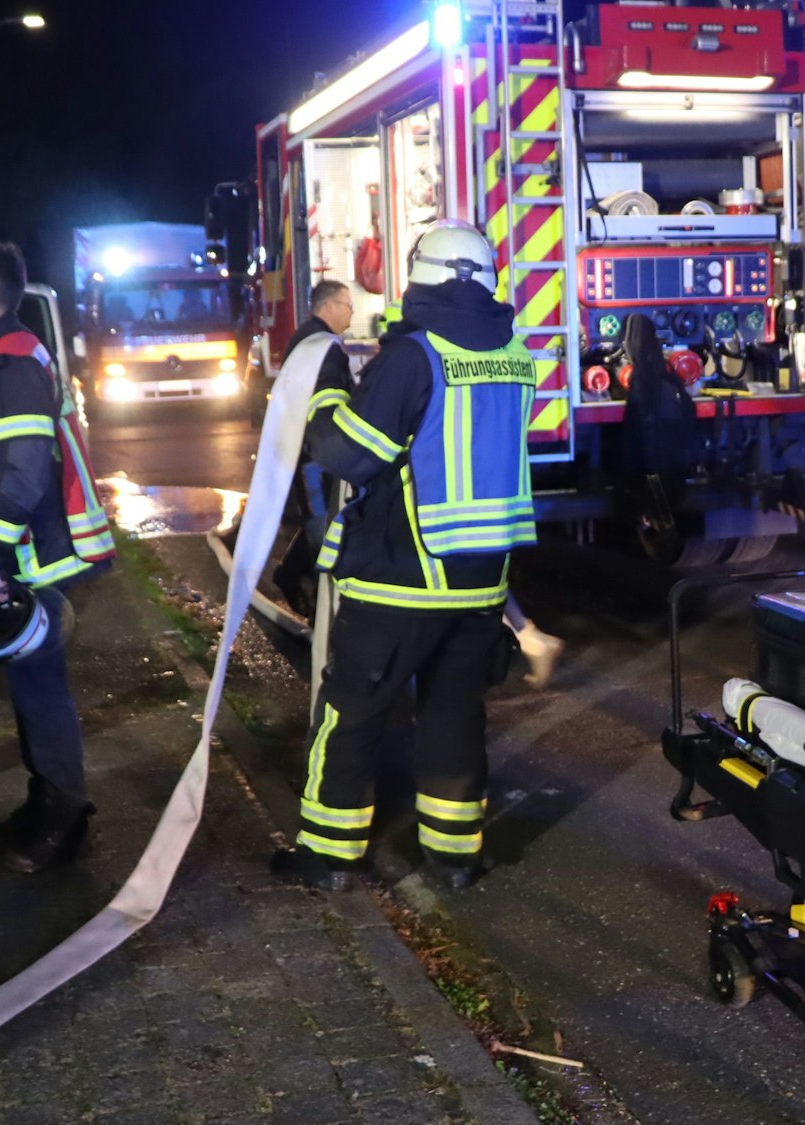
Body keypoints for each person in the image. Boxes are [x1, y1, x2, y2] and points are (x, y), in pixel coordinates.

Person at [269, 220, 535, 892]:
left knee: (350, 711)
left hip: (401, 576)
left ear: (425, 278)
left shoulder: (415, 355)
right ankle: (454, 857)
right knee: (453, 715)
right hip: (480, 583)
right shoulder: (514, 352)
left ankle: (327, 856)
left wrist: (327, 387)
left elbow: (349, 453)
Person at [0, 240, 110, 873]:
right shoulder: (1, 354)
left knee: (41, 692)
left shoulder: (8, 365)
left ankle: (62, 821)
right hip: (29, 551)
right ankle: (45, 803)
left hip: (35, 556)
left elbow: (16, 475)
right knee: (30, 687)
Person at [268, 279, 356, 618]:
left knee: (320, 524)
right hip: (312, 457)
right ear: (330, 306)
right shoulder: (321, 346)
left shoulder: (311, 340)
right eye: (348, 305)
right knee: (322, 530)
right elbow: (326, 404)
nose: (352, 313)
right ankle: (326, 617)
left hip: (308, 453)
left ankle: (290, 575)